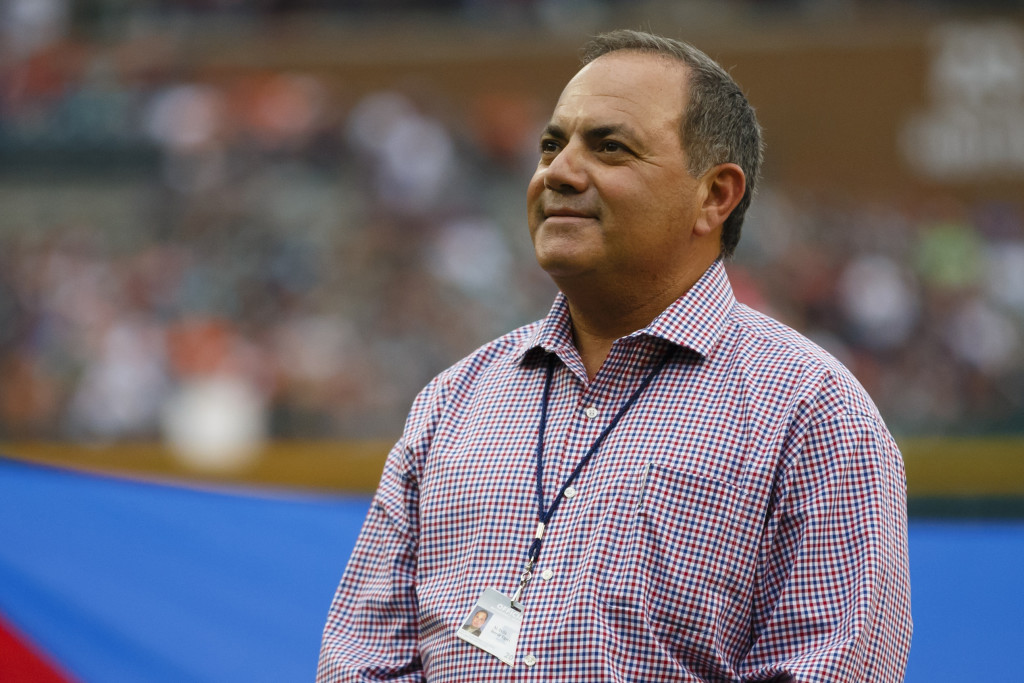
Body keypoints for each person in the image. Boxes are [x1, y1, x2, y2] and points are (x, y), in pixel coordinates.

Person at [318, 29, 912, 682]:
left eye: (610, 148)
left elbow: (827, 667)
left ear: (714, 195)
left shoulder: (812, 413)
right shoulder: (452, 401)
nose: (559, 172)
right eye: (552, 144)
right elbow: (362, 662)